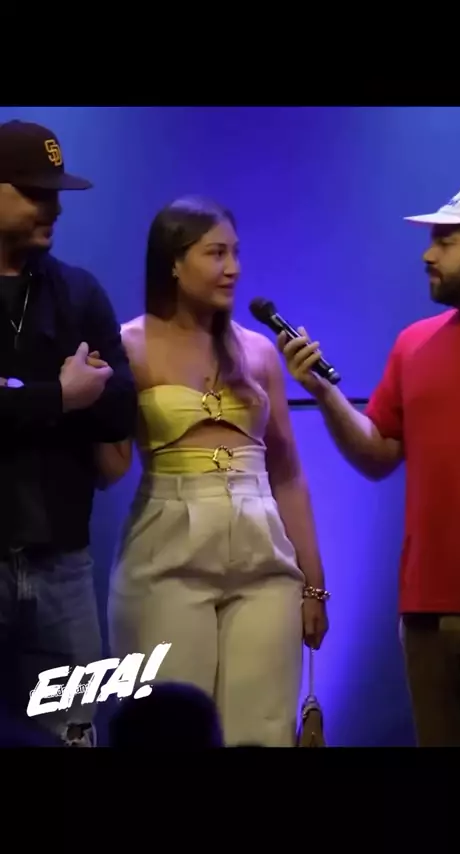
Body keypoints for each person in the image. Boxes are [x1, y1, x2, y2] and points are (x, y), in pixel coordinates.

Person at [97, 195, 329, 747]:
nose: (234, 268)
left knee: (264, 729)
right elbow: (110, 468)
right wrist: (76, 403)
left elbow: (288, 473)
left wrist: (315, 585)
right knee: (170, 731)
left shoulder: (259, 352)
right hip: (167, 553)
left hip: (263, 555)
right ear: (174, 263)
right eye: (216, 253)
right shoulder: (129, 345)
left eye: (236, 253)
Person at [278, 184, 460, 747]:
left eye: (447, 241)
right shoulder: (414, 345)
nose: (428, 254)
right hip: (426, 609)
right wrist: (323, 393)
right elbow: (377, 455)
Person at [0, 119, 137, 746]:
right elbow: (82, 399)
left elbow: (120, 410)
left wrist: (22, 397)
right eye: (35, 192)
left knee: (73, 734)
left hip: (63, 565)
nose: (53, 208)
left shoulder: (78, 292)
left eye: (55, 193)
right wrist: (60, 396)